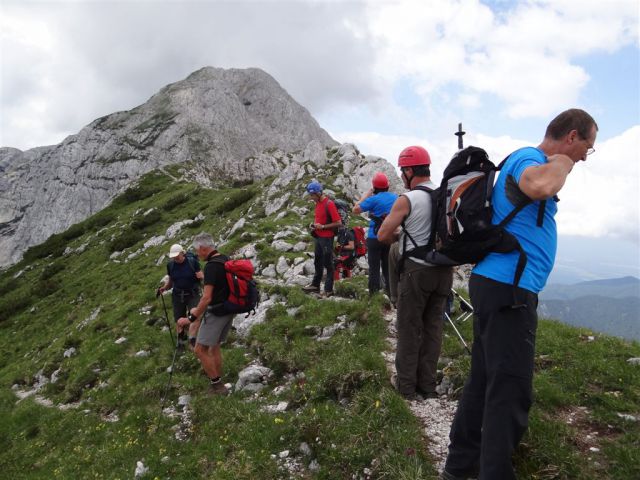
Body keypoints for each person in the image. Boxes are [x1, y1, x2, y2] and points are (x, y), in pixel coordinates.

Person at [442, 109, 599, 480]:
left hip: (497, 285)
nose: (584, 156)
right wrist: (561, 161)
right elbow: (540, 186)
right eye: (586, 148)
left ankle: (460, 467)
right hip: (509, 289)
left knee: (484, 380)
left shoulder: (526, 158)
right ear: (572, 136)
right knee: (510, 390)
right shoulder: (530, 158)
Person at [378, 147, 453, 401]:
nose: (401, 176)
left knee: (410, 327)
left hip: (417, 271)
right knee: (433, 328)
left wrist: (402, 238)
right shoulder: (444, 195)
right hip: (444, 270)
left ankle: (407, 388)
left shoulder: (407, 199)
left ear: (410, 171)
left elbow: (383, 235)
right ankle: (428, 386)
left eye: (402, 171)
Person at [176, 232, 234, 395]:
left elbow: (207, 297)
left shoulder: (211, 266)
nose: (196, 254)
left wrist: (191, 318)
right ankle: (218, 378)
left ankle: (217, 386)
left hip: (216, 312)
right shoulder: (225, 258)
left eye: (197, 250)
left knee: (199, 350)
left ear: (202, 248)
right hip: (229, 309)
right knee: (214, 347)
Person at [353, 172, 398, 295]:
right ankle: (391, 295)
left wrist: (366, 195)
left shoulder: (373, 199)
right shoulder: (395, 197)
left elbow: (355, 209)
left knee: (374, 268)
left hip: (374, 237)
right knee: (388, 268)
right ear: (387, 186)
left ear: (374, 187)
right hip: (390, 237)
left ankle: (374, 296)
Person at [158, 243, 203, 348]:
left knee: (194, 314)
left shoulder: (192, 262)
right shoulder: (171, 265)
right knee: (179, 320)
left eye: (177, 256)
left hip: (193, 293)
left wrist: (203, 278)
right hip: (178, 295)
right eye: (173, 257)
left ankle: (192, 339)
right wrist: (164, 288)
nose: (175, 258)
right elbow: (171, 281)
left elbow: (201, 277)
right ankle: (181, 341)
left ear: (183, 253)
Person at [302, 181, 342, 297]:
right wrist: (314, 225)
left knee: (328, 264)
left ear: (319, 193)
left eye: (313, 195)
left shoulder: (329, 204)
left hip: (327, 238)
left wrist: (323, 227)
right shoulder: (317, 203)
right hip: (318, 237)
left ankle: (328, 290)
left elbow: (338, 222)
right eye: (311, 195)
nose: (311, 197)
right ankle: (315, 286)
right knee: (317, 261)